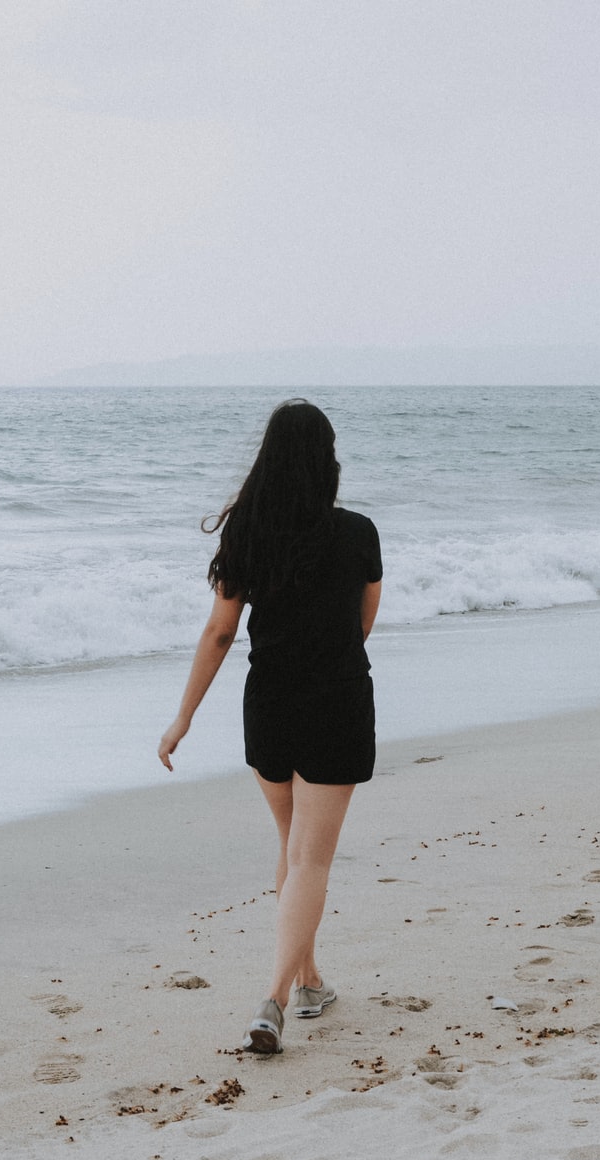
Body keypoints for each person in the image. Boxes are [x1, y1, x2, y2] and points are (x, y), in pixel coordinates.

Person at [158, 399, 382, 1055]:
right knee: (311, 857)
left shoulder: (247, 535)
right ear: (327, 461)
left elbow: (221, 631)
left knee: (292, 848)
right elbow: (362, 621)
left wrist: (183, 718)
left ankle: (309, 979)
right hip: (336, 701)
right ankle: (275, 998)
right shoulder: (359, 533)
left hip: (270, 705)